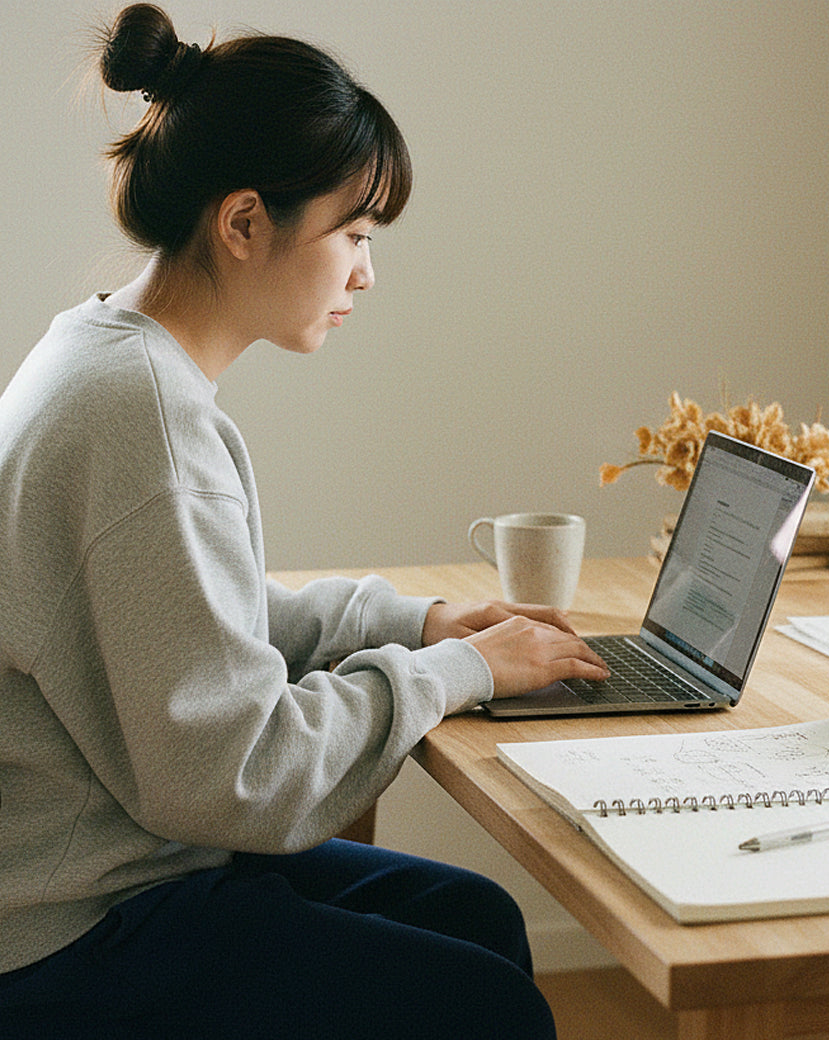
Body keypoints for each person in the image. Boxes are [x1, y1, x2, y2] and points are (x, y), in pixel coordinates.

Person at [0, 5, 609, 1037]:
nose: (366, 272)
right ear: (244, 223)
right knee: (489, 1006)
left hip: (121, 864)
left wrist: (414, 624)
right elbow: (239, 775)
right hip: (77, 927)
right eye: (354, 234)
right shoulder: (140, 417)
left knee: (475, 915)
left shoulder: (103, 353)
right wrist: (459, 673)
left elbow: (193, 630)